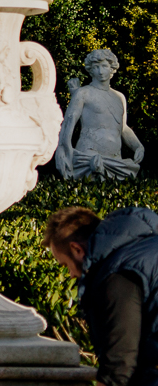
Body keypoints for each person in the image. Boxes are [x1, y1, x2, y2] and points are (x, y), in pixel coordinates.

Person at [45, 205, 158, 386]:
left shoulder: (119, 274)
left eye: (65, 265)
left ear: (77, 249)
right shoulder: (146, 250)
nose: (71, 275)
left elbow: (120, 363)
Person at [57, 49, 146, 181]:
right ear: (90, 70)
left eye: (104, 66)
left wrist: (138, 146)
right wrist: (64, 148)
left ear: (112, 68)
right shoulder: (83, 93)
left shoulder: (119, 97)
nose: (100, 71)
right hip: (88, 157)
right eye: (96, 67)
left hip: (116, 160)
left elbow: (123, 128)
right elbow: (69, 122)